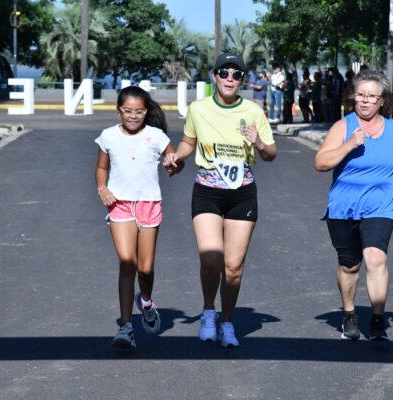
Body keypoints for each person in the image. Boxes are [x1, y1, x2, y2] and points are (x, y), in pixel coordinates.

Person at [163, 53, 277, 347]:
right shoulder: (198, 109)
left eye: (236, 74)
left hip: (242, 193)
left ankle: (227, 322)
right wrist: (178, 155)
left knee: (234, 266)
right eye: (224, 72)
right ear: (214, 76)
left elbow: (271, 153)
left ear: (242, 79)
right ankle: (208, 312)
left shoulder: (252, 111)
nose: (229, 78)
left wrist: (259, 143)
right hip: (208, 191)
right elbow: (189, 142)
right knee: (211, 257)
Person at [314, 70, 393, 341]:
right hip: (343, 206)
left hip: (379, 205)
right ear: (353, 98)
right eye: (360, 95)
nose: (365, 101)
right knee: (349, 265)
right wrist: (348, 145)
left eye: (371, 96)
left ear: (383, 101)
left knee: (376, 257)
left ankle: (378, 320)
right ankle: (349, 314)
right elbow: (320, 163)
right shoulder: (343, 127)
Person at [94, 86, 183, 349]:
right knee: (127, 263)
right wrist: (102, 188)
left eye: (139, 112)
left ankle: (145, 301)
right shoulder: (108, 136)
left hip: (149, 205)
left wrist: (173, 165)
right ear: (119, 110)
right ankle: (125, 327)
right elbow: (101, 167)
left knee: (145, 269)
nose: (133, 116)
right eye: (128, 111)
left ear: (146, 112)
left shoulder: (156, 136)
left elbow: (176, 161)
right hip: (119, 204)